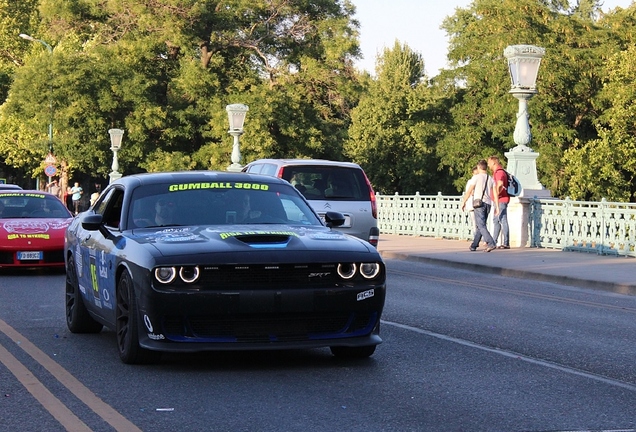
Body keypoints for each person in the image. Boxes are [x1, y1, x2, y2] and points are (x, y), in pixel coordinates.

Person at [461, 159, 496, 252]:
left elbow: (469, 191)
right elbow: (495, 192)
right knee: (481, 225)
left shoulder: (476, 177)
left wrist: (463, 202)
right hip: (488, 203)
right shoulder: (490, 178)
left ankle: (491, 243)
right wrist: (496, 204)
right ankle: (474, 245)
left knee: (481, 225)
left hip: (479, 204)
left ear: (479, 167)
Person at [488, 156, 510, 249]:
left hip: (501, 200)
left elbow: (500, 183)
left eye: (489, 163)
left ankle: (505, 243)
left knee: (502, 220)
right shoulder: (501, 171)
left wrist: (497, 193)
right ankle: (494, 241)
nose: (488, 165)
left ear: (494, 163)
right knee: (496, 220)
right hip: (501, 200)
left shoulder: (499, 172)